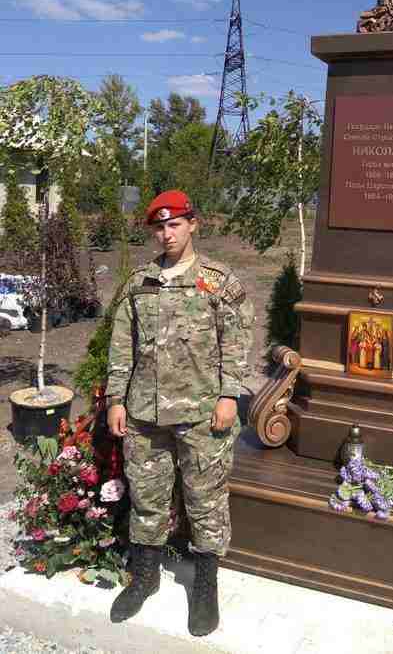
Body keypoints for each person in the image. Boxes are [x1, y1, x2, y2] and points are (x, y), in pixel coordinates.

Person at [105, 189, 254, 636]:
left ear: (193, 224)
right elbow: (121, 345)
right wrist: (116, 398)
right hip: (145, 417)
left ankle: (204, 585)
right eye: (159, 227)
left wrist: (230, 395)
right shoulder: (140, 282)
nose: (166, 234)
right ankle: (145, 577)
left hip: (203, 415)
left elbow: (239, 339)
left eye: (175, 225)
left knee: (205, 503)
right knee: (147, 500)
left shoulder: (218, 281)